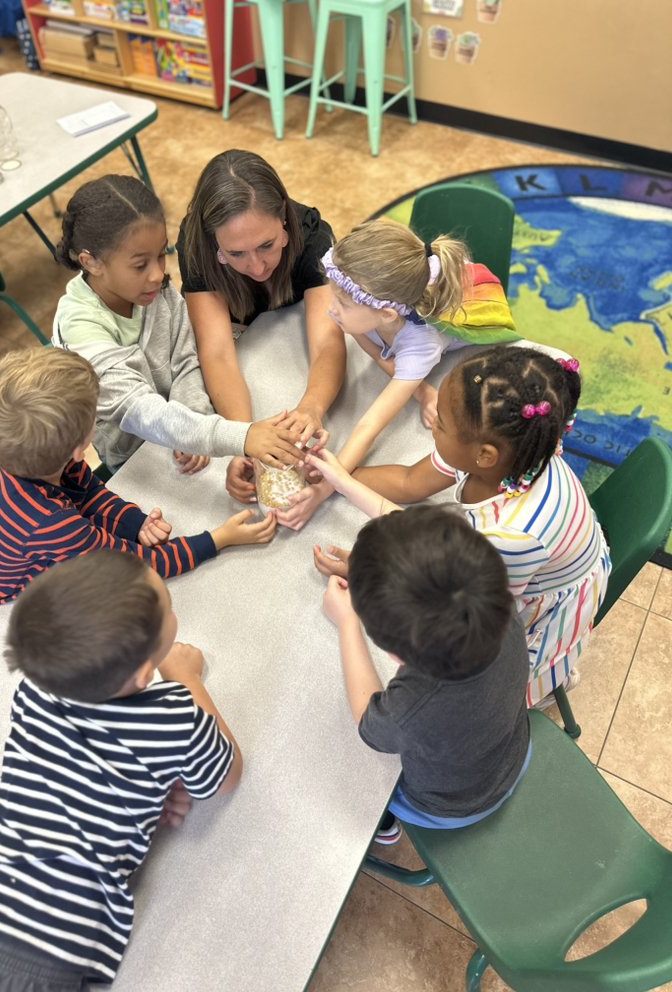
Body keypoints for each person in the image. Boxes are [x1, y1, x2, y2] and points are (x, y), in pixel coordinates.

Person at [0, 550, 242, 990]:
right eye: (169, 608)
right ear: (144, 672)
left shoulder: (34, 690)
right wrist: (188, 678)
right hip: (45, 953)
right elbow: (225, 777)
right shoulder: (173, 715)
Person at [310, 347, 611, 707]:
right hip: (537, 560)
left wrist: (373, 573)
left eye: (440, 424)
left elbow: (469, 611)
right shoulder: (502, 453)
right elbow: (409, 483)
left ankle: (548, 682)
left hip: (535, 605)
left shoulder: (512, 537)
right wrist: (339, 478)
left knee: (491, 693)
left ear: (483, 455)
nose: (433, 420)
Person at [0, 349, 277, 636]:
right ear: (79, 450)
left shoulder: (11, 452)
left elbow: (88, 493)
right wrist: (219, 538)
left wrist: (135, 524)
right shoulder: (53, 525)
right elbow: (138, 567)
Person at [52, 173, 303, 472]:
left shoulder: (155, 292)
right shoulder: (81, 329)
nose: (158, 274)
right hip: (134, 463)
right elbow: (143, 412)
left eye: (161, 255)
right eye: (140, 264)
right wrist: (243, 436)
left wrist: (193, 428)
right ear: (90, 262)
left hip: (188, 438)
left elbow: (185, 361)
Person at [280, 217, 520, 529]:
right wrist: (420, 390)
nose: (330, 308)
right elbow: (371, 343)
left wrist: (326, 488)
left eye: (340, 302)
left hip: (471, 300)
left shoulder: (422, 344)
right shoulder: (370, 314)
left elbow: (370, 424)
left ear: (386, 314)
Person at [323, 504, 531, 844]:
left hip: (451, 806)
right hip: (513, 750)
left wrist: (348, 622)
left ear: (394, 654)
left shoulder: (413, 706)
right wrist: (380, 579)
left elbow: (368, 722)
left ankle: (384, 825)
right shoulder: (498, 602)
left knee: (348, 768)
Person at [177, 149, 346, 506]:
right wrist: (242, 437)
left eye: (266, 246)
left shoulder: (311, 234)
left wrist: (311, 408)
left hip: (283, 335)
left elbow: (327, 342)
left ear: (285, 220)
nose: (256, 266)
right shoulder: (196, 245)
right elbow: (217, 352)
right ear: (213, 244)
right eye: (236, 254)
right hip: (246, 337)